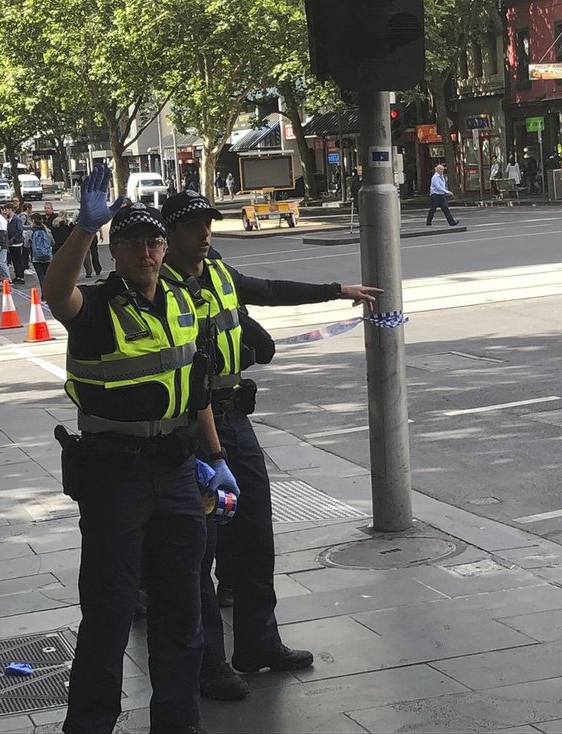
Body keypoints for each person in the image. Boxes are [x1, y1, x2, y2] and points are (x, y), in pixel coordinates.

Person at [158, 190, 382, 700]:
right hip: (190, 427)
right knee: (201, 547)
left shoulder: (217, 270)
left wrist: (335, 289)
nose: (204, 232)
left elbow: (270, 289)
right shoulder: (161, 287)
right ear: (169, 233)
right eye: (193, 225)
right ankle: (209, 663)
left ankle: (258, 643)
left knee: (255, 531)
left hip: (233, 417)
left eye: (208, 223)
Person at [41, 164, 238, 734]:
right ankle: (90, 725)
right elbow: (56, 293)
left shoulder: (179, 302)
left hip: (177, 470)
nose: (147, 252)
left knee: (181, 611)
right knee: (110, 609)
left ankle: (179, 722)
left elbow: (194, 387)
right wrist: (83, 230)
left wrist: (217, 458)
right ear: (117, 248)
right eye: (131, 242)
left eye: (153, 241)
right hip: (114, 476)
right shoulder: (96, 306)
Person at [30, 212, 54, 285]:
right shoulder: (47, 231)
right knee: (48, 277)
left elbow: (26, 244)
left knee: (41, 278)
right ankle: (50, 293)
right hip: (48, 257)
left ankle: (43, 295)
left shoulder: (30, 231)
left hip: (36, 258)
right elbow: (52, 242)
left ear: (33, 221)